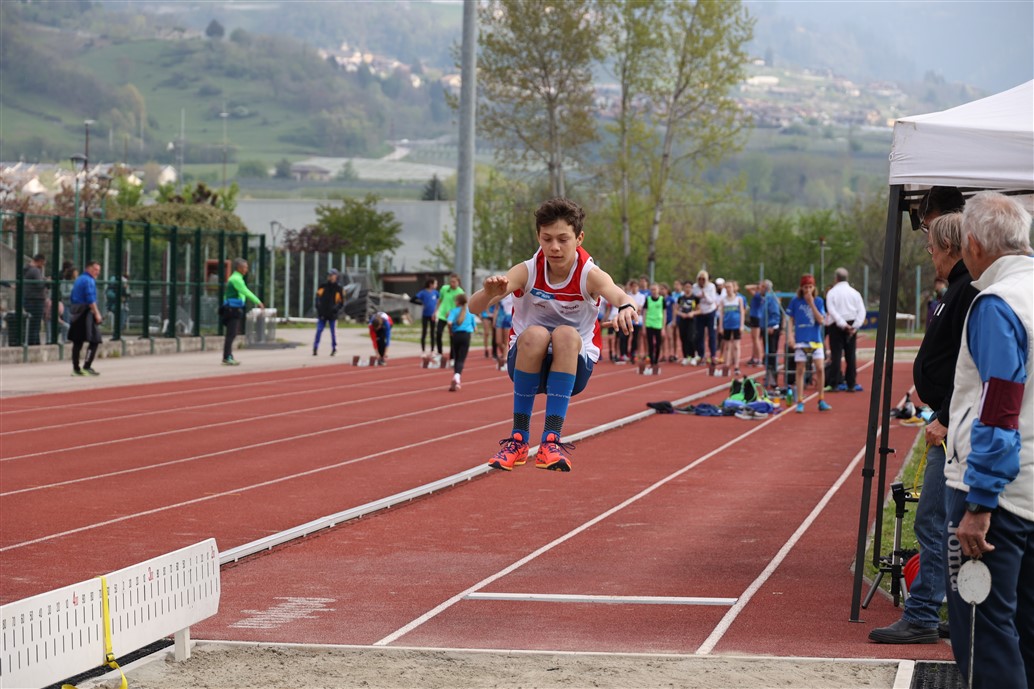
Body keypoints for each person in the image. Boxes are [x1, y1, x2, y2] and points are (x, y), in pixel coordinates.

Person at [869, 188, 972, 645]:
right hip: (949, 418)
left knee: (933, 520)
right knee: (945, 522)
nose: (930, 255)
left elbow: (973, 363)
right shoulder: (958, 288)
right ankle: (958, 612)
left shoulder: (968, 290)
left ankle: (924, 612)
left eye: (932, 248)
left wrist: (945, 416)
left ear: (949, 246)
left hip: (953, 425)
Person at [467, 197, 637, 473]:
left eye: (563, 239)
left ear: (579, 238)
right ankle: (518, 440)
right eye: (547, 239)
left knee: (566, 334)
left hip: (574, 366)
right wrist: (488, 293)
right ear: (538, 237)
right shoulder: (526, 271)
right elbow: (474, 308)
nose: (554, 247)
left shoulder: (589, 274)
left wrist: (627, 307)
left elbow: (619, 295)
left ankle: (551, 441)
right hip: (526, 359)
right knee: (536, 333)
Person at [943, 191, 1033, 688]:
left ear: (973, 245)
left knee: (985, 639)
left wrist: (979, 501)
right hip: (1029, 490)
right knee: (1026, 633)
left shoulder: (998, 304)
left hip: (997, 495)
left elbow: (999, 407)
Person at [787, 274, 830, 413]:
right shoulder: (795, 301)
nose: (808, 290)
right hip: (801, 340)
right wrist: (790, 336)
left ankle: (821, 399)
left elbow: (821, 320)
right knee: (800, 369)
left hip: (815, 339)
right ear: (801, 288)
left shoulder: (818, 301)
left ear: (814, 287)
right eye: (805, 287)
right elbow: (790, 319)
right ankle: (800, 401)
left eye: (810, 287)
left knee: (820, 368)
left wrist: (811, 303)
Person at [824, 267, 867, 392]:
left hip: (836, 325)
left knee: (836, 355)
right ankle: (851, 383)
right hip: (852, 324)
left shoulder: (832, 293)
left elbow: (831, 310)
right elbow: (862, 311)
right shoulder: (855, 293)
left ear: (836, 278)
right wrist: (855, 326)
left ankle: (834, 384)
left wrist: (842, 324)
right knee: (851, 355)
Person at [221, 258, 264, 366]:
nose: (246, 270)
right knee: (231, 334)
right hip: (232, 309)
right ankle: (227, 357)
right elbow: (245, 291)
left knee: (232, 334)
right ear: (239, 268)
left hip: (233, 308)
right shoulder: (236, 279)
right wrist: (258, 302)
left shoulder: (237, 278)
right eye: (245, 267)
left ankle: (228, 356)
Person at [68, 260, 103, 376]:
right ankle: (86, 366)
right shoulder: (88, 280)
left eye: (98, 270)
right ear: (88, 268)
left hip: (76, 312)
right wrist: (97, 313)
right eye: (95, 269)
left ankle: (76, 368)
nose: (97, 272)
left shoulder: (79, 279)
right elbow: (90, 299)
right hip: (85, 312)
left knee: (77, 341)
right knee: (95, 339)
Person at [446, 293, 477, 391]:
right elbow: (475, 328)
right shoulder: (470, 312)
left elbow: (449, 322)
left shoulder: (453, 311)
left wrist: (450, 331)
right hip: (466, 336)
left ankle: (457, 378)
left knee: (456, 358)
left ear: (458, 302)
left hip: (456, 336)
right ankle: (457, 377)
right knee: (461, 359)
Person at [757, 280, 784, 390]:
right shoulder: (765, 299)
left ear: (766, 288)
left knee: (771, 353)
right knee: (768, 353)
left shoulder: (771, 298)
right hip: (765, 328)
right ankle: (769, 376)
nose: (760, 289)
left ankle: (773, 379)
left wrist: (772, 325)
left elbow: (775, 313)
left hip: (771, 329)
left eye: (761, 287)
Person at [718, 279, 746, 377]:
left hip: (736, 325)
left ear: (733, 288)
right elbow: (721, 314)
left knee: (736, 346)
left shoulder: (739, 299)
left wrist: (742, 325)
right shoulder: (723, 300)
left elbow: (742, 312)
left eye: (729, 287)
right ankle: (727, 365)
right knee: (727, 346)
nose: (728, 289)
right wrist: (720, 326)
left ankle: (736, 366)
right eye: (726, 287)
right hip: (727, 325)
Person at [313, 268, 344, 356]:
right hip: (322, 314)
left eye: (332, 275)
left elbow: (341, 302)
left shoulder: (339, 289)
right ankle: (315, 348)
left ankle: (334, 348)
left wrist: (335, 309)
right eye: (329, 275)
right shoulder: (323, 286)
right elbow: (317, 297)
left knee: (333, 333)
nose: (330, 277)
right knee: (319, 331)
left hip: (332, 315)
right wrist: (318, 306)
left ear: (336, 276)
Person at [692, 270, 720, 365]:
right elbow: (694, 300)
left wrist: (705, 295)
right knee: (699, 335)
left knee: (712, 335)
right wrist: (697, 299)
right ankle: (701, 355)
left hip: (710, 312)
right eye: (700, 279)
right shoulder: (695, 287)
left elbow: (712, 300)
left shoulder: (711, 287)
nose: (701, 281)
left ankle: (713, 355)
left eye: (703, 279)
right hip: (699, 313)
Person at [434, 273, 463, 362]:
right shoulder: (444, 289)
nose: (452, 283)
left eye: (454, 282)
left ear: (458, 282)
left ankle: (452, 357)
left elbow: (461, 306)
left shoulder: (460, 292)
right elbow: (440, 300)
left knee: (452, 337)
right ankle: (439, 353)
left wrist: (455, 314)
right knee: (438, 333)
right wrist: (435, 311)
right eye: (451, 282)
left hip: (453, 317)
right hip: (442, 315)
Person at [23, 254, 47, 346]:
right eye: (43, 263)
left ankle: (33, 342)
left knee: (31, 323)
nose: (43, 266)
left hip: (28, 299)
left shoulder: (26, 269)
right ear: (40, 261)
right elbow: (40, 284)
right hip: (36, 300)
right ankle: (34, 343)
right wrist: (46, 281)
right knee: (36, 324)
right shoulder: (35, 270)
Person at [411, 278, 439, 354]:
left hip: (433, 315)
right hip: (425, 315)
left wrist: (437, 310)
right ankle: (423, 350)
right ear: (430, 284)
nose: (436, 285)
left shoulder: (435, 292)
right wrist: (421, 303)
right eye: (435, 283)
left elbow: (440, 300)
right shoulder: (423, 292)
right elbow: (412, 299)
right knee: (424, 332)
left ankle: (432, 350)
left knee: (433, 333)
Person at [642, 283, 665, 372]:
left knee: (658, 344)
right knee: (650, 344)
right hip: (649, 324)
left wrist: (663, 327)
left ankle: (656, 360)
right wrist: (644, 326)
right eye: (652, 289)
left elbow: (664, 314)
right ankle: (652, 362)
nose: (653, 291)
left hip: (658, 325)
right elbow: (644, 313)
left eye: (655, 289)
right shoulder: (648, 299)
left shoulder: (662, 300)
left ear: (658, 290)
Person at [676, 277, 699, 365]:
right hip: (683, 320)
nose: (687, 289)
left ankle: (693, 356)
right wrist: (681, 314)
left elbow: (699, 310)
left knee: (691, 338)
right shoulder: (681, 298)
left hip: (691, 321)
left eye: (689, 287)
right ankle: (685, 357)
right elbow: (676, 310)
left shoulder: (695, 298)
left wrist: (693, 313)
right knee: (683, 338)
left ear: (692, 288)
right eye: (686, 287)